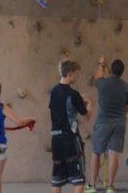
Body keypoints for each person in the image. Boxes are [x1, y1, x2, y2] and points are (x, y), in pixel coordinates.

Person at [86, 56, 128, 193]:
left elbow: (97, 77)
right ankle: (110, 186)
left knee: (96, 152)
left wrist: (100, 63)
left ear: (111, 70)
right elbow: (127, 108)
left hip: (103, 122)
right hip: (120, 123)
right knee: (113, 152)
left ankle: (92, 185)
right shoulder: (126, 87)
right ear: (122, 72)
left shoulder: (103, 83)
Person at [51, 59, 92, 193]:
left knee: (57, 179)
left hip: (55, 139)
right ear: (70, 73)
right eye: (77, 74)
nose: (77, 77)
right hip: (70, 139)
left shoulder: (53, 91)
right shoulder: (73, 94)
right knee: (78, 178)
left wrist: (79, 98)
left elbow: (60, 105)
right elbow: (86, 116)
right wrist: (90, 103)